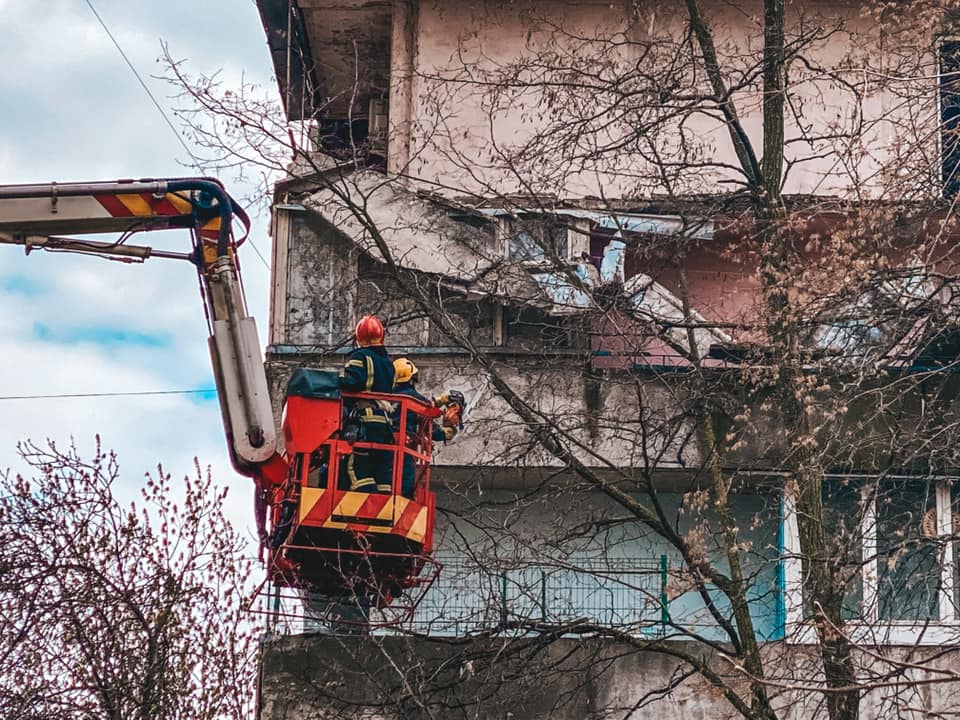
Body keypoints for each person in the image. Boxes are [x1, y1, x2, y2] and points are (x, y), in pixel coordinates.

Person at [340, 315, 396, 492]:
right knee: (381, 470)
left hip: (365, 420)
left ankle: (367, 501)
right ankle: (384, 503)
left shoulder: (360, 356)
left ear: (359, 338)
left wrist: (337, 380)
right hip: (385, 422)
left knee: (357, 466)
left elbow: (354, 382)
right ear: (381, 336)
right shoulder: (389, 364)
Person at [392, 357, 459, 497]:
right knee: (405, 485)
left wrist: (438, 402)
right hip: (404, 450)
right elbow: (430, 428)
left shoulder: (384, 397)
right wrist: (447, 432)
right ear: (412, 379)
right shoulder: (415, 400)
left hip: (382, 446)